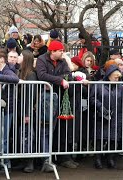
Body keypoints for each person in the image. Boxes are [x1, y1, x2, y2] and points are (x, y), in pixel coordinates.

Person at [36, 40, 71, 171]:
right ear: (53, 51)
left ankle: (50, 158)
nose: (62, 52)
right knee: (45, 129)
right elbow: (42, 75)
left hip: (58, 98)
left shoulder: (62, 61)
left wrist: (59, 79)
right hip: (45, 99)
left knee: (53, 129)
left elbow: (69, 75)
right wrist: (60, 80)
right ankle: (45, 159)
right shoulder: (41, 59)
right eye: (60, 51)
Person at [90, 65, 123, 169]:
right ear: (109, 76)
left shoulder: (120, 87)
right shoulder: (99, 85)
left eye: (118, 78)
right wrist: (100, 107)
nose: (117, 79)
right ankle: (98, 159)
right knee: (100, 138)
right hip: (102, 116)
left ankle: (110, 159)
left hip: (116, 116)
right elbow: (92, 98)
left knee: (114, 139)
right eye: (115, 77)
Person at [0, 48, 19, 174]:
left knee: (3, 137)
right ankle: (1, 161)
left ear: (1, 59)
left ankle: (6, 163)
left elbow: (15, 79)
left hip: (7, 109)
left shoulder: (8, 69)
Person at [16, 50, 38, 173]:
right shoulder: (20, 72)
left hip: (27, 110)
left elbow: (31, 95)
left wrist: (27, 113)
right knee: (21, 135)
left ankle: (30, 162)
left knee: (28, 135)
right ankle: (23, 160)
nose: (18, 57)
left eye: (20, 56)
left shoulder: (31, 75)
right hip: (20, 108)